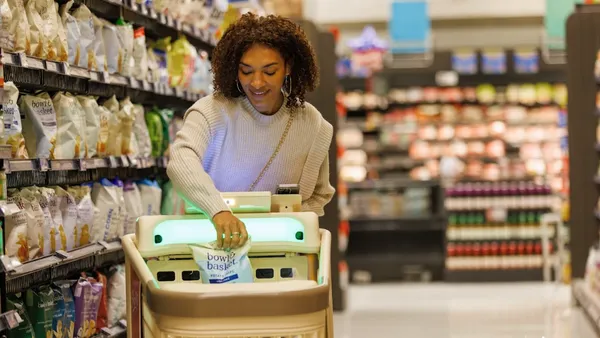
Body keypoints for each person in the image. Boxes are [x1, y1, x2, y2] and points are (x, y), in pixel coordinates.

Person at [167, 13, 335, 250]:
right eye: (246, 71)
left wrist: (285, 226)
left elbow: (319, 195)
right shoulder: (211, 112)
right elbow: (181, 162)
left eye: (269, 71)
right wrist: (218, 211)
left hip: (281, 256)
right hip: (212, 251)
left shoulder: (311, 124)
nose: (256, 83)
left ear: (288, 67)